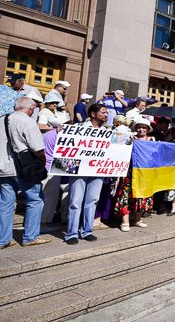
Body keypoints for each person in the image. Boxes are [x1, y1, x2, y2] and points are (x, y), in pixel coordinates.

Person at [0, 97, 50, 249]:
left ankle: (1, 241)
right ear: (31, 108)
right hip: (23, 168)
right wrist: (43, 161)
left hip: (2, 167)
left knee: (5, 204)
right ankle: (30, 237)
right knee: (35, 200)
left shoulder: (1, 120)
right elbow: (38, 149)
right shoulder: (29, 122)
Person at [65, 103, 109, 245]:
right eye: (103, 112)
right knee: (75, 201)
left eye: (107, 112)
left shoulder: (108, 131)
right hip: (79, 169)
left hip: (98, 170)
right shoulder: (79, 128)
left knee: (92, 200)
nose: (106, 115)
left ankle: (87, 230)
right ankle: (71, 233)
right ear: (93, 114)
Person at [113, 118, 154, 231]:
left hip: (144, 173)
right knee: (126, 195)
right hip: (129, 173)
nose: (141, 129)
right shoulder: (129, 139)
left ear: (148, 130)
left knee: (141, 196)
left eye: (144, 127)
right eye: (139, 127)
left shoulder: (152, 140)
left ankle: (137, 219)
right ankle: (125, 221)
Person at [40, 117, 70, 232]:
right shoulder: (57, 136)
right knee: (49, 198)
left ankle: (44, 222)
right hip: (52, 169)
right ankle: (44, 224)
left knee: (47, 196)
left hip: (49, 168)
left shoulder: (47, 134)